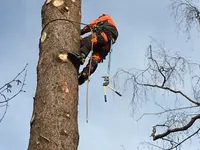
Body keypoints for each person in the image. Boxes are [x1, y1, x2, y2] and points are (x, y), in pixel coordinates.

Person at [77, 14, 119, 85]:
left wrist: (81, 32)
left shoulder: (105, 18)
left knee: (88, 41)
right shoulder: (111, 25)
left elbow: (92, 25)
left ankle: (82, 55)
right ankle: (85, 74)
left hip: (104, 36)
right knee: (95, 59)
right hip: (107, 45)